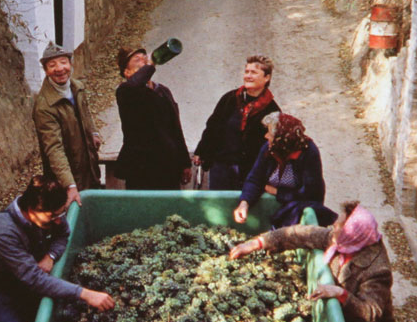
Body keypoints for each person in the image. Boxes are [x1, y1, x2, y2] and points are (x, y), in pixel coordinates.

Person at [229, 201, 394, 322]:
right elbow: (301, 234)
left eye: (338, 227)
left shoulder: (377, 270)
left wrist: (341, 294)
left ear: (353, 234)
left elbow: (370, 313)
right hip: (339, 320)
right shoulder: (340, 239)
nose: (333, 229)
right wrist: (257, 243)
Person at [0, 175, 115, 322]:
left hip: (29, 278)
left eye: (60, 214)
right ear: (31, 210)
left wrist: (51, 256)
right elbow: (35, 279)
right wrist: (86, 294)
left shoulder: (51, 213)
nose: (58, 220)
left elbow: (63, 235)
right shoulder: (3, 233)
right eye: (52, 216)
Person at [232, 112, 336, 228]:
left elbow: (310, 195)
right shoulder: (268, 148)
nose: (266, 136)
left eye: (270, 133)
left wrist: (277, 192)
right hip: (283, 201)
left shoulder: (308, 152)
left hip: (297, 208)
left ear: (282, 139)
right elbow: (255, 179)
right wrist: (244, 203)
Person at [193, 56, 280, 190]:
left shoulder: (272, 109)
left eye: (254, 72)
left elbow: (273, 145)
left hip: (251, 172)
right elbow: (212, 126)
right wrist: (201, 151)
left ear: (267, 78)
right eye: (247, 72)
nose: (248, 76)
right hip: (221, 168)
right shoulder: (230, 99)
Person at [32, 41, 103, 207]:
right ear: (46, 71)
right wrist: (69, 185)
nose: (59, 69)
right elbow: (54, 149)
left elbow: (85, 113)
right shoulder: (44, 107)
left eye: (63, 62)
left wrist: (93, 133)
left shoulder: (77, 87)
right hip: (67, 177)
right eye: (52, 65)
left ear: (70, 64)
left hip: (88, 166)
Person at [115, 47, 192, 190]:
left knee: (170, 211)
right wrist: (150, 64)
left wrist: (185, 163)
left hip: (169, 167)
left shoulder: (163, 90)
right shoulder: (125, 91)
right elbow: (135, 85)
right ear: (126, 72)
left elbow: (175, 127)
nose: (143, 61)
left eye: (144, 57)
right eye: (137, 60)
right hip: (141, 170)